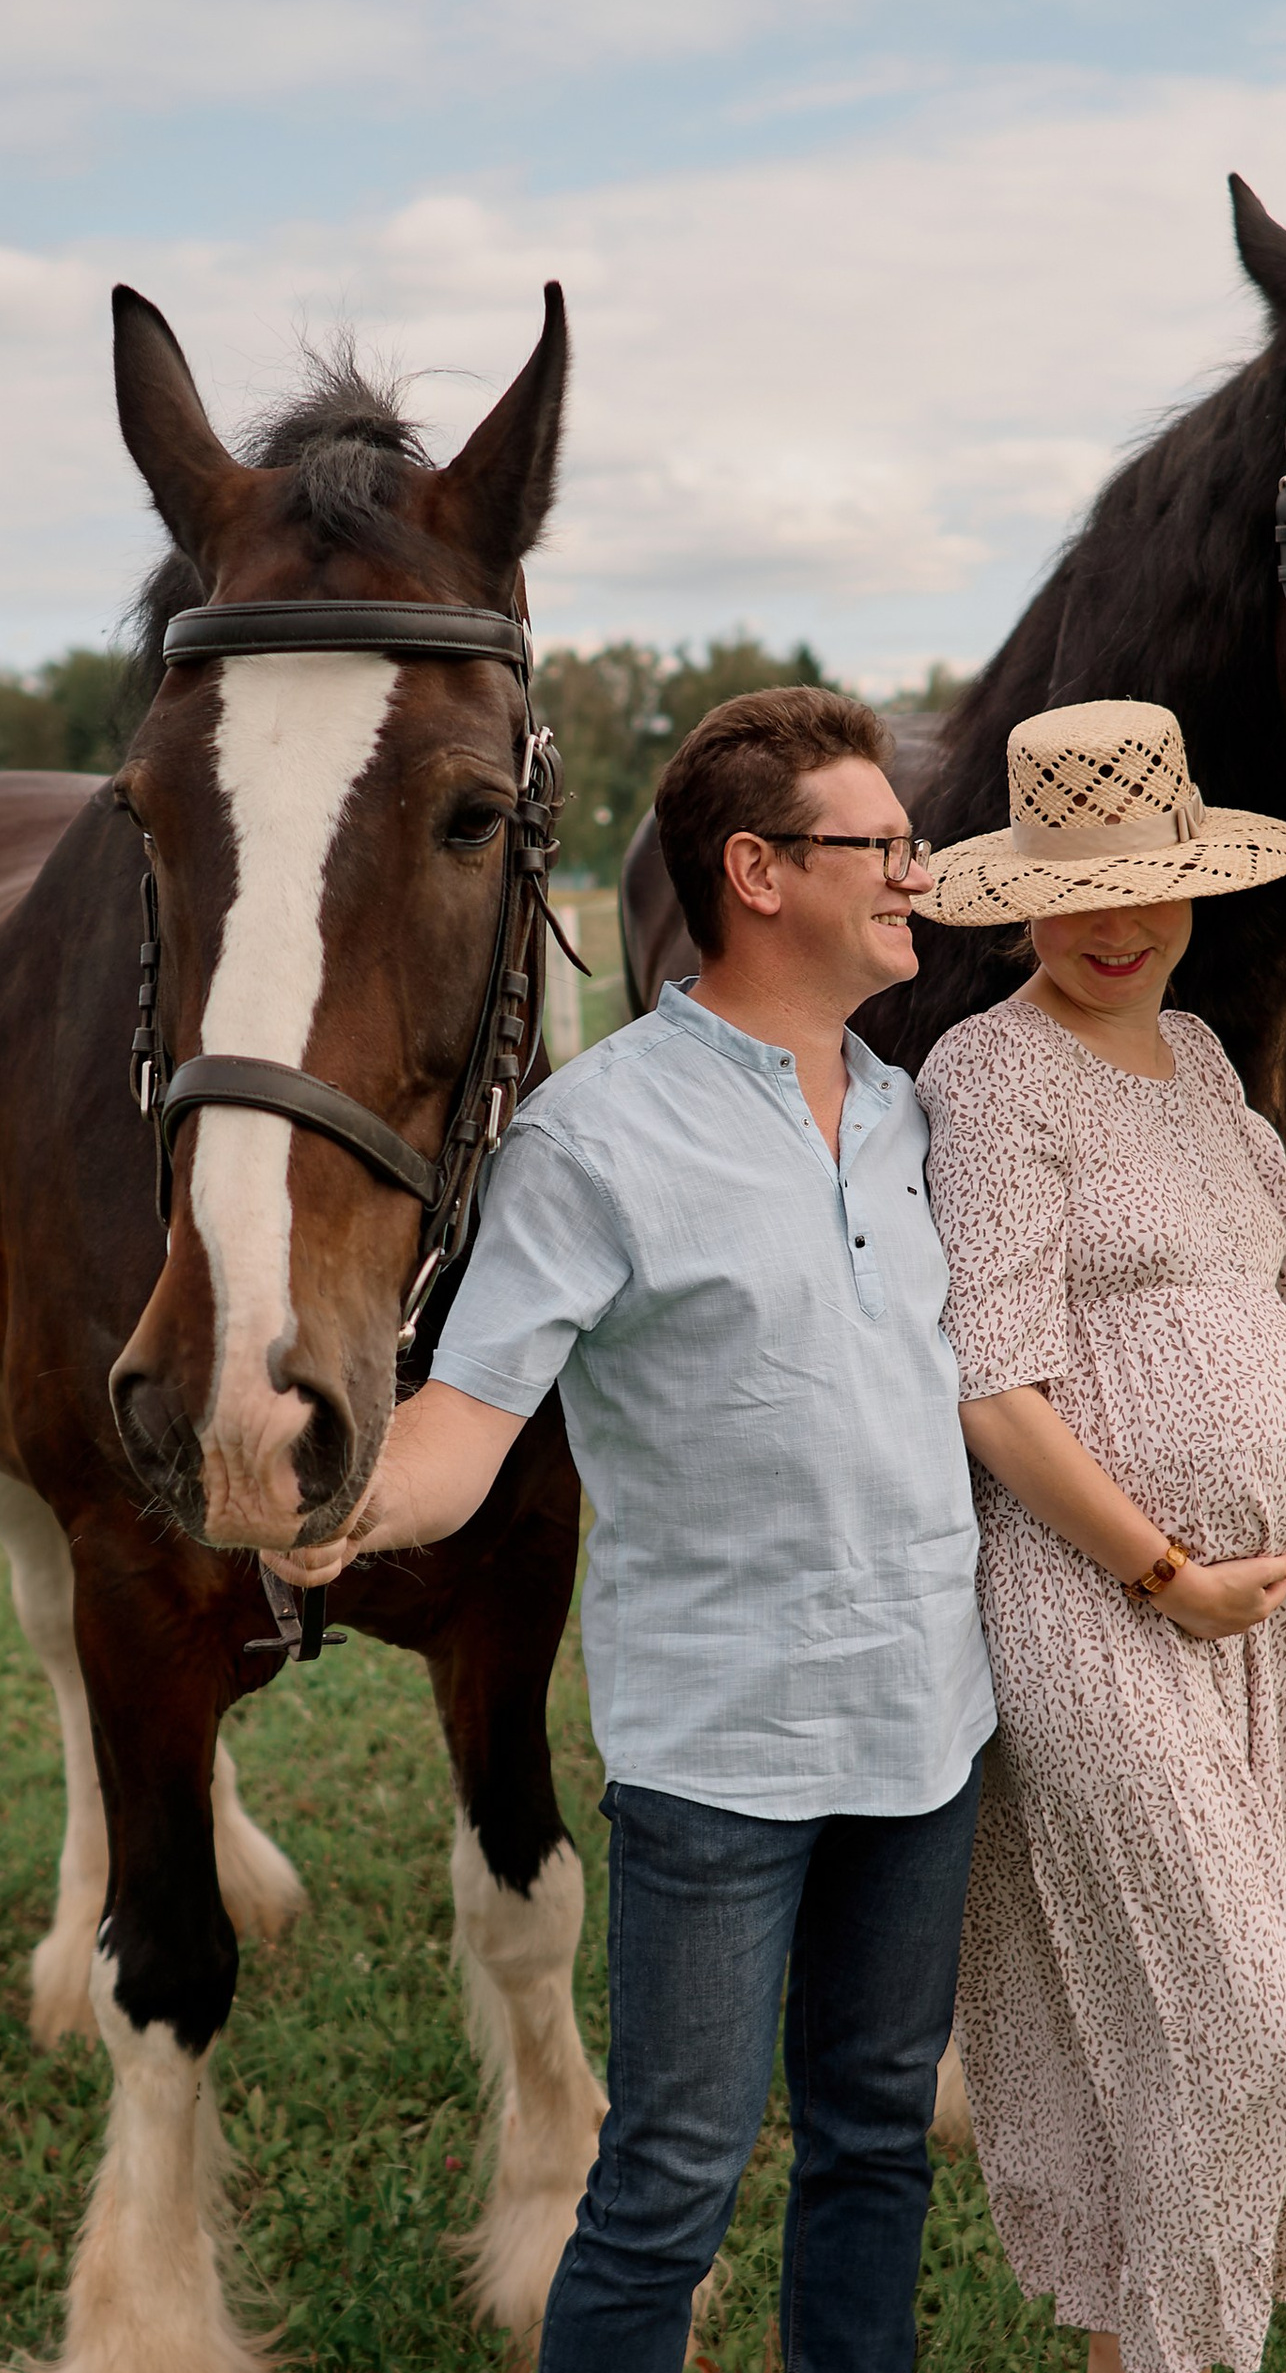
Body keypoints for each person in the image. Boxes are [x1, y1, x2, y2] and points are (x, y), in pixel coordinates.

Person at [267, 686, 993, 2373]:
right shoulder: (594, 1136)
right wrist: (345, 1510)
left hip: (925, 1722)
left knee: (877, 2139)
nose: (915, 871)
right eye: (879, 844)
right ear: (758, 871)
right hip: (723, 1749)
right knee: (669, 2177)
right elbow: (469, 1420)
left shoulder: (901, 1108)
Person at [912, 699, 1286, 2373]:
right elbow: (995, 1388)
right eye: (1080, 890)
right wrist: (1166, 1573)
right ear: (1023, 900)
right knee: (1234, 2023)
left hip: (1271, 1621)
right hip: (1103, 1605)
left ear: (1189, 888)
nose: (1116, 924)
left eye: (1146, 885)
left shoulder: (1205, 1066)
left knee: (1181, 2044)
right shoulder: (994, 1074)